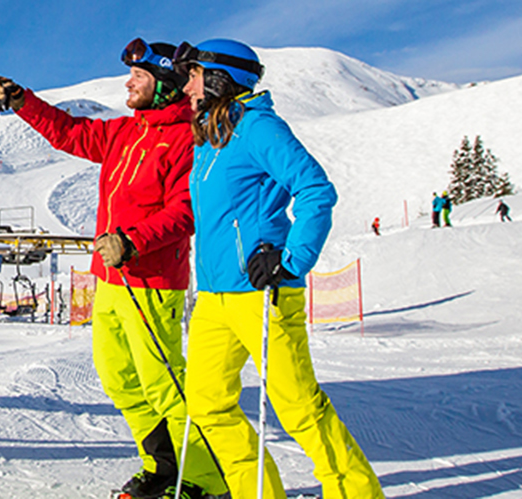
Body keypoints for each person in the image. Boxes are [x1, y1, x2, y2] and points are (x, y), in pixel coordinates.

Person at [0, 38, 215, 499]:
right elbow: (69, 132)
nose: (127, 83)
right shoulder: (125, 133)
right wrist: (23, 102)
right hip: (111, 281)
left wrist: (133, 242)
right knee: (119, 378)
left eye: (138, 77)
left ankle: (206, 480)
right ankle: (162, 465)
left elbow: (186, 211)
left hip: (152, 282)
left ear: (165, 85)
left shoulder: (186, 139)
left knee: (164, 383)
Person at [174, 38, 386, 499]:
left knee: (298, 406)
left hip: (260, 291)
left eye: (192, 74)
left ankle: (356, 493)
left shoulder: (258, 127)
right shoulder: (212, 137)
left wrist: (291, 261)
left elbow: (315, 190)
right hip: (213, 297)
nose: (185, 85)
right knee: (208, 403)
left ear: (217, 78)